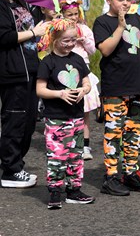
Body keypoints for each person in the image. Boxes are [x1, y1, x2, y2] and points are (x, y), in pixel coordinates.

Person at [93, 0, 140, 196]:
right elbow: (105, 49)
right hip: (116, 87)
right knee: (114, 133)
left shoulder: (134, 20)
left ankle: (130, 173)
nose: (125, 3)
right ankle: (111, 176)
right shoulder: (102, 22)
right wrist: (120, 27)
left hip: (137, 84)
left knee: (133, 133)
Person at [35, 18, 95, 208]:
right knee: (57, 156)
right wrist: (60, 93)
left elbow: (86, 81)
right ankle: (54, 191)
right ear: (54, 39)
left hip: (76, 116)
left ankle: (74, 190)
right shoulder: (48, 62)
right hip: (56, 118)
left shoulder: (77, 59)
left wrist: (84, 90)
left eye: (73, 40)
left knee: (75, 156)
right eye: (65, 41)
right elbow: (40, 89)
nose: (70, 44)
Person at [0, 0, 49, 188]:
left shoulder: (20, 3)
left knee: (29, 122)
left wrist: (47, 23)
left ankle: (15, 164)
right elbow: (5, 38)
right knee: (15, 120)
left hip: (30, 68)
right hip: (12, 72)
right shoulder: (0, 6)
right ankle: (10, 169)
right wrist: (32, 32)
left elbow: (35, 29)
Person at [60, 0, 100, 161]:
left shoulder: (84, 29)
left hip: (83, 72)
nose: (73, 17)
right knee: (66, 112)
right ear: (62, 15)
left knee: (84, 113)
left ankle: (84, 145)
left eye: (76, 14)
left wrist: (85, 42)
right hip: (66, 72)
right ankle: (66, 144)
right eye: (69, 14)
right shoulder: (59, 29)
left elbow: (92, 50)